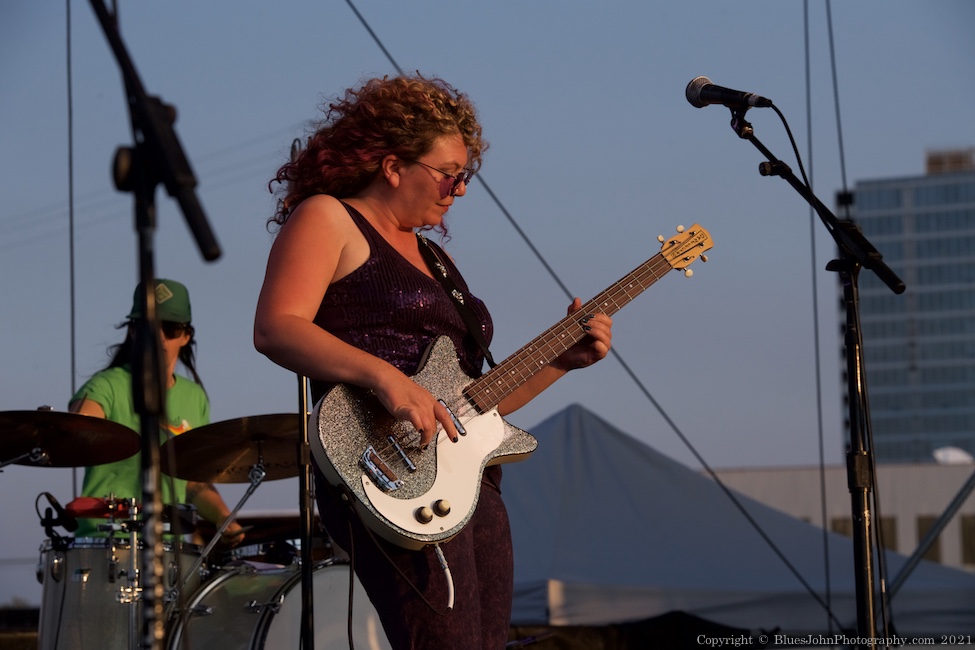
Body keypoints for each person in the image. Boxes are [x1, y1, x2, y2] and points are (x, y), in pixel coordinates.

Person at [253, 74, 612, 649]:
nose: (460, 190)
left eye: (465, 176)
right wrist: (385, 377)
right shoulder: (329, 217)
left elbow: (474, 405)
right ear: (394, 166)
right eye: (449, 174)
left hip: (470, 485)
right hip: (384, 472)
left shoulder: (435, 258)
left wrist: (562, 362)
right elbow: (277, 327)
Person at [69, 278, 244, 546]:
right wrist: (77, 426)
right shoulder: (106, 384)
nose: (160, 336)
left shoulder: (194, 396)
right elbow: (78, 431)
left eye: (171, 328)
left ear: (186, 336)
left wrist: (223, 517)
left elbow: (192, 482)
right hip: (105, 540)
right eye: (150, 327)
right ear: (134, 332)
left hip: (168, 545)